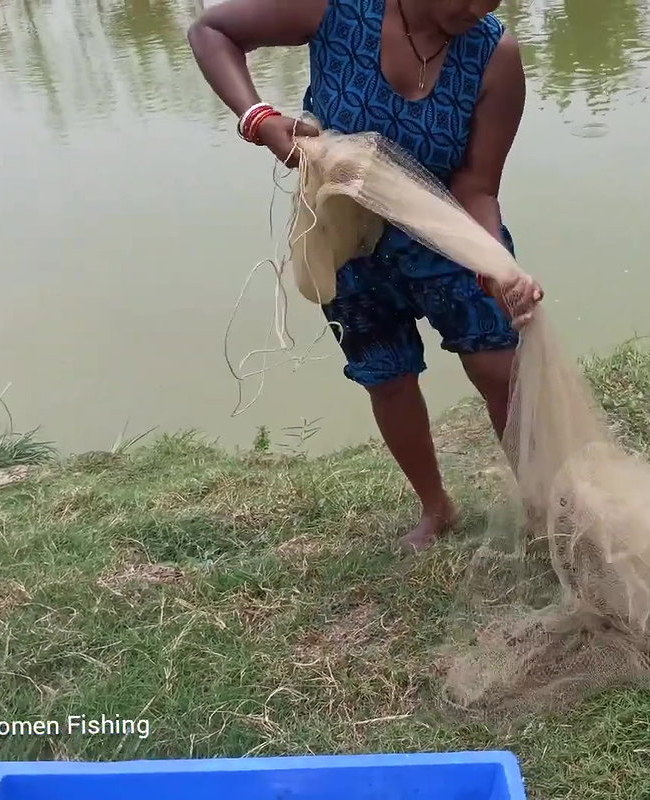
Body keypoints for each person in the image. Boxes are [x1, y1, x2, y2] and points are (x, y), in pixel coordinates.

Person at [188, 0, 544, 551]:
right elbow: (212, 31)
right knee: (388, 378)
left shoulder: (494, 54)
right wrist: (259, 118)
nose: (477, 9)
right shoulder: (338, 8)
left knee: (501, 370)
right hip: (349, 242)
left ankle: (542, 504)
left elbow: (478, 186)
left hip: (442, 232)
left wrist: (497, 264)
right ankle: (436, 508)